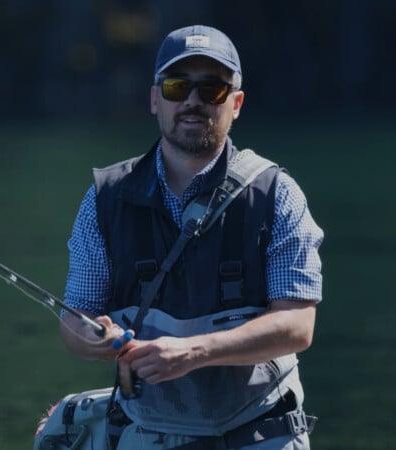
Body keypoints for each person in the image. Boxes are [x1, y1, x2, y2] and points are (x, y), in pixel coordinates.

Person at [59, 24, 324, 450]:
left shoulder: (278, 195)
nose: (192, 101)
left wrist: (194, 352)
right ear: (155, 99)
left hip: (258, 429)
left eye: (212, 89)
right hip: (148, 429)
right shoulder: (103, 200)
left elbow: (297, 325)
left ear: (236, 104)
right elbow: (75, 321)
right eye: (177, 86)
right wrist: (95, 339)